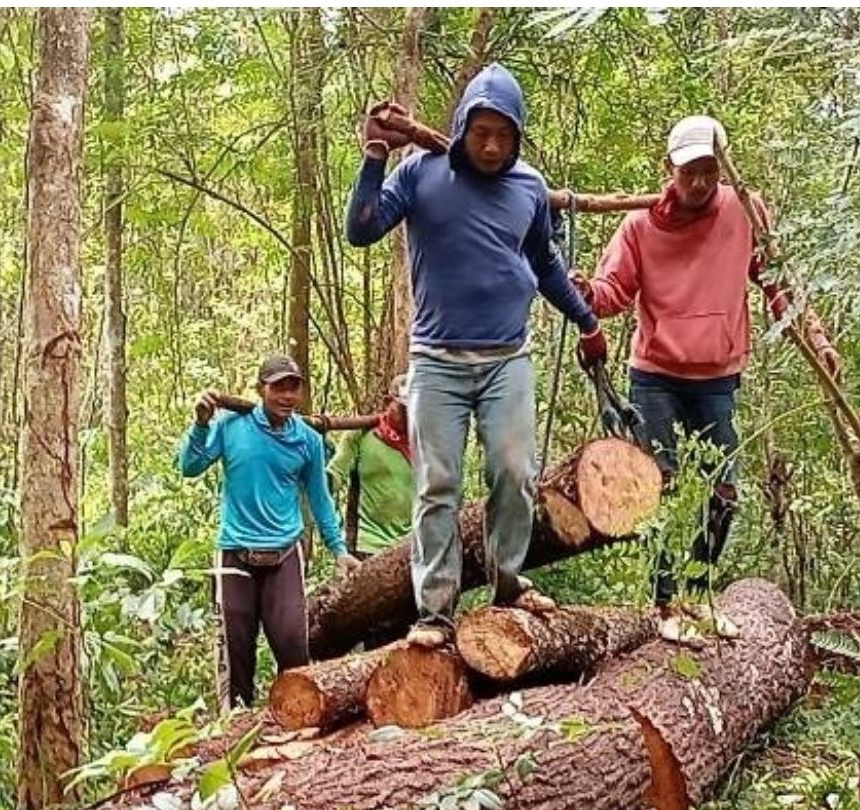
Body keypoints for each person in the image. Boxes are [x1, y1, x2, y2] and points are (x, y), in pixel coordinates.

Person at [345, 63, 608, 649]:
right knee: (437, 484)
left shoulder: (529, 189)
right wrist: (373, 155)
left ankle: (508, 582)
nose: (491, 145)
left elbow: (545, 266)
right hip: (437, 360)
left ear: (517, 136)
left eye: (504, 135)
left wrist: (587, 321)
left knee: (514, 473)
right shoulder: (421, 173)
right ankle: (434, 612)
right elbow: (361, 229)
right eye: (481, 131)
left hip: (507, 358)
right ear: (462, 126)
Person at [569, 115, 800, 627]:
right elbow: (613, 293)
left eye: (709, 171)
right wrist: (585, 294)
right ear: (668, 170)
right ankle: (663, 599)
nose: (698, 182)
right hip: (655, 372)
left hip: (717, 374)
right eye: (688, 172)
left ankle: (698, 590)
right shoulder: (639, 224)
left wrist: (815, 337)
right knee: (657, 485)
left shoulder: (745, 210)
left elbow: (777, 281)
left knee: (723, 491)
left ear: (722, 168)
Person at [178, 355, 359, 709]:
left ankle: (296, 725)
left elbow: (319, 498)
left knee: (293, 647)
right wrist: (201, 425)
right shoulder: (232, 426)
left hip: (284, 556)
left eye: (293, 387)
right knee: (237, 653)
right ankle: (237, 735)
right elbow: (190, 466)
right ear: (262, 389)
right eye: (278, 387)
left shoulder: (307, 440)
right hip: (235, 555)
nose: (287, 396)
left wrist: (338, 549)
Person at [328, 373, 413, 560]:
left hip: (411, 546)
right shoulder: (360, 435)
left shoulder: (424, 445)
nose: (409, 416)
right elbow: (334, 476)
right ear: (387, 403)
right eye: (403, 409)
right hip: (367, 544)